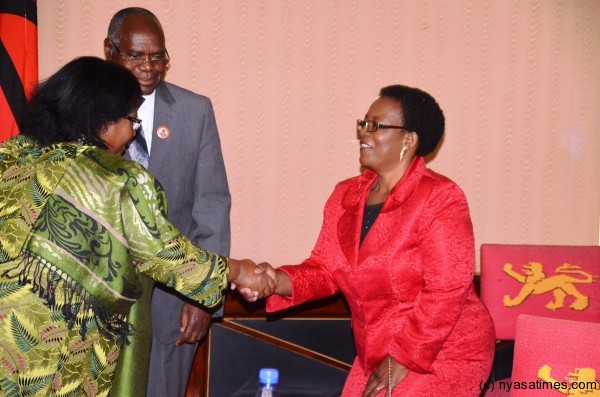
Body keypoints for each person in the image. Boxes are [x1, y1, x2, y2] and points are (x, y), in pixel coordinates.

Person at [0, 56, 271, 397]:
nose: (132, 133)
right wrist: (239, 271)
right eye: (131, 119)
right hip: (51, 342)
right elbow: (163, 253)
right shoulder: (115, 178)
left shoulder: (14, 154)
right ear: (102, 120)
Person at [254, 85, 495, 396]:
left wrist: (404, 357)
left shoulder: (439, 198)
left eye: (376, 126)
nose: (364, 133)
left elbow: (447, 290)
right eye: (363, 123)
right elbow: (325, 271)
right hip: (378, 351)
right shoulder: (345, 195)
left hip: (444, 352)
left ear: (408, 140)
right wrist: (275, 280)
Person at [103, 7, 232, 397]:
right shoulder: (85, 112)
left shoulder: (195, 112)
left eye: (157, 56)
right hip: (97, 303)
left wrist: (205, 298)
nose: (148, 67)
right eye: (135, 55)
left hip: (172, 305)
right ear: (110, 51)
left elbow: (212, 205)